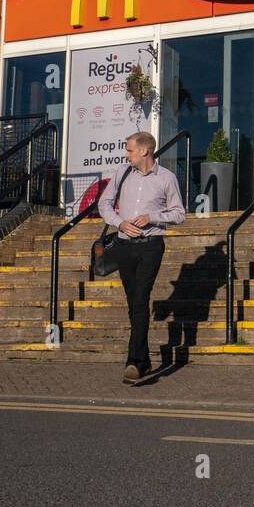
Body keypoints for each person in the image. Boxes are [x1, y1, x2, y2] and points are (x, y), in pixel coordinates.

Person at [98, 131, 185, 384]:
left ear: (144, 151)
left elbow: (179, 214)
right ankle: (144, 361)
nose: (126, 154)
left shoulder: (166, 178)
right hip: (124, 245)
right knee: (134, 303)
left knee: (140, 298)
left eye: (129, 149)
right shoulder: (122, 173)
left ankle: (133, 362)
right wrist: (120, 223)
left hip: (151, 246)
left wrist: (153, 217)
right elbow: (104, 204)